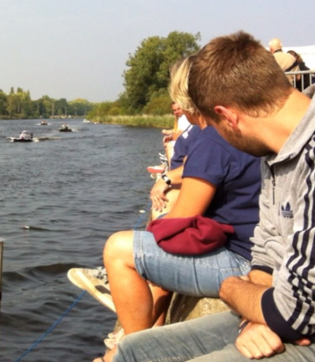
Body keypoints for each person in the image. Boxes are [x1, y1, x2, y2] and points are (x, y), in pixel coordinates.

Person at [114, 31, 315, 362]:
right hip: (275, 307)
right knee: (134, 351)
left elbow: (297, 312)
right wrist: (254, 316)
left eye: (215, 126)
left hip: (301, 323)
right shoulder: (274, 151)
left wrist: (231, 289)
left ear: (229, 117)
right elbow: (264, 250)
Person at [70, 55, 262, 362]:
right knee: (150, 248)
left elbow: (180, 220)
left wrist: (155, 227)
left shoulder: (212, 139)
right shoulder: (242, 128)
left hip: (241, 261)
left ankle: (131, 351)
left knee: (118, 249)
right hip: (256, 251)